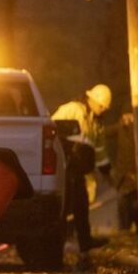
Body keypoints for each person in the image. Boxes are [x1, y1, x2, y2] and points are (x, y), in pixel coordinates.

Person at [51, 84, 113, 257]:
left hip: (78, 172)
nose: (102, 110)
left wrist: (106, 172)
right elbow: (50, 129)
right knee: (63, 210)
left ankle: (85, 243)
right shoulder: (72, 110)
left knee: (81, 207)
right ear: (91, 100)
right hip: (64, 168)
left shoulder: (96, 124)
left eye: (104, 108)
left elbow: (100, 152)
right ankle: (55, 247)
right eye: (100, 106)